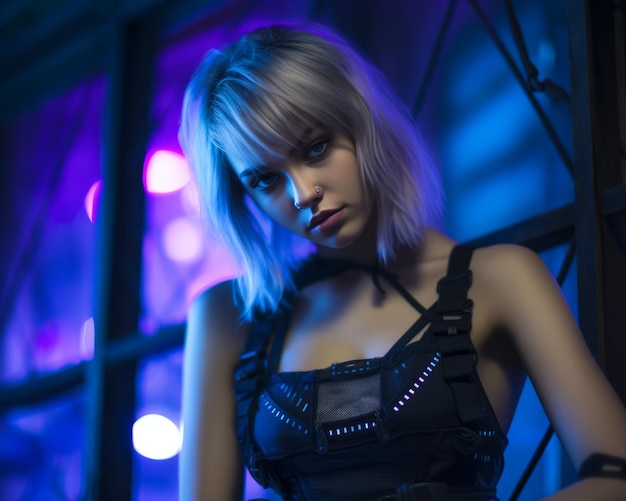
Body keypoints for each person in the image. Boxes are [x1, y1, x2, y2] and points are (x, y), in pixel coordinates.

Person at [177, 23, 626, 501]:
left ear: (364, 121)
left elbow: (616, 474)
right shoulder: (229, 316)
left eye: (316, 148)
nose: (303, 193)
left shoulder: (502, 279)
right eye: (265, 179)